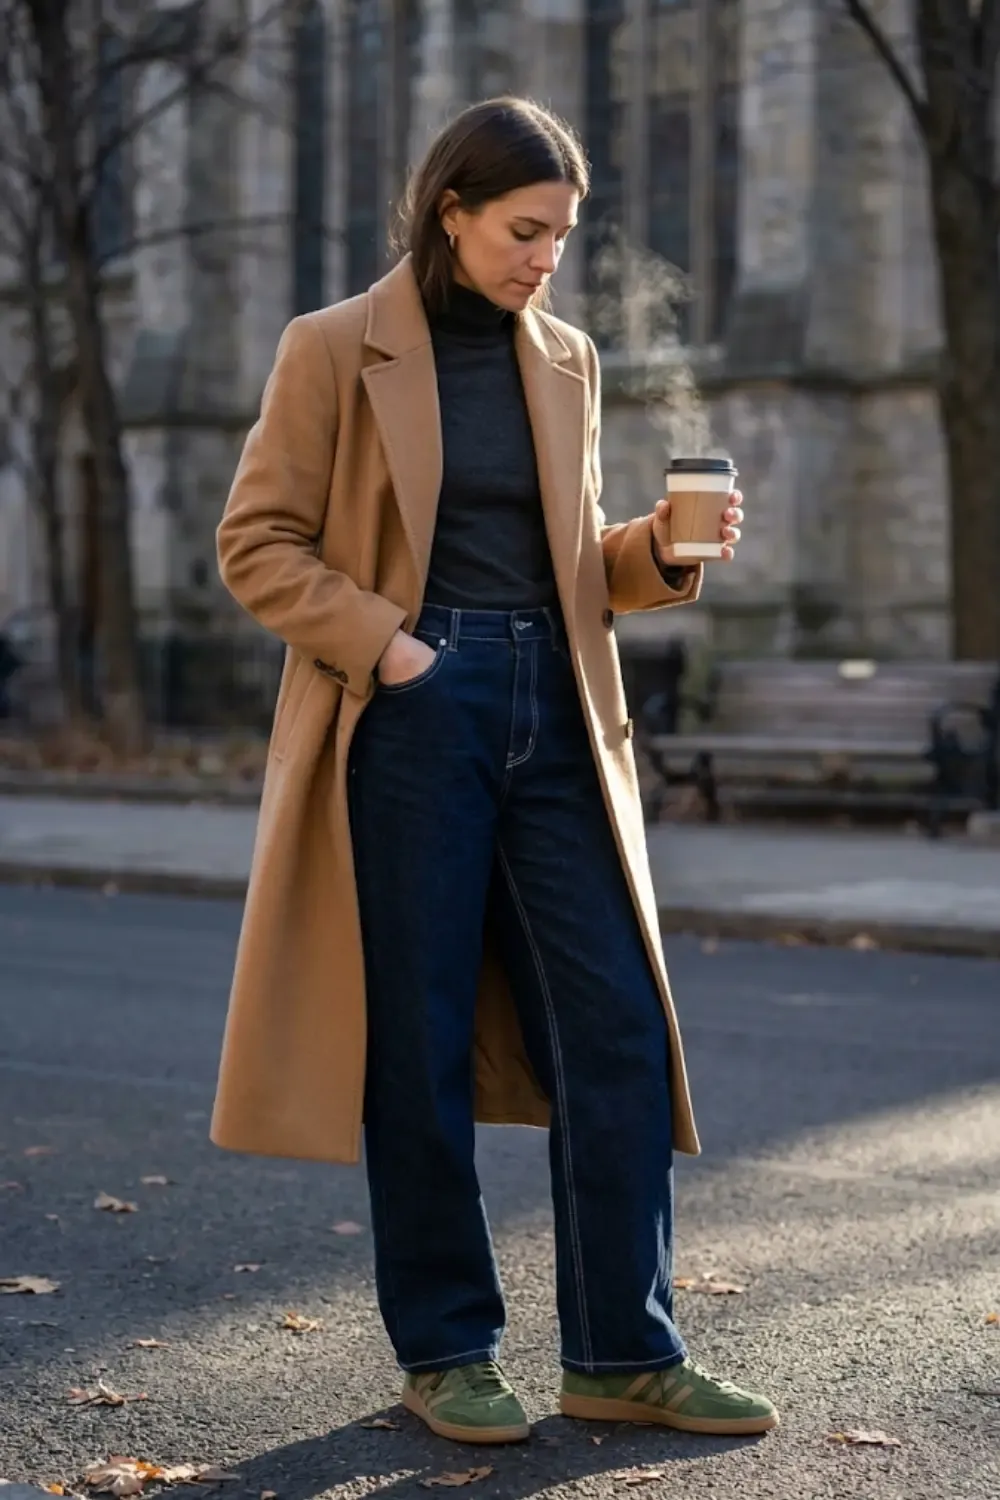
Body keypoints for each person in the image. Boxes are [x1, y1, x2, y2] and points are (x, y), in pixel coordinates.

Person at [210, 96, 777, 1446]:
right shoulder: (333, 350)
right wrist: (394, 651)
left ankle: (623, 1354)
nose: (546, 260)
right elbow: (259, 542)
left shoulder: (564, 355)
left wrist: (663, 554)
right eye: (526, 231)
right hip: (413, 710)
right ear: (450, 211)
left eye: (565, 238)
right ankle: (448, 1347)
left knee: (618, 1025)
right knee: (415, 1046)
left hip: (556, 714)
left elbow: (571, 563)